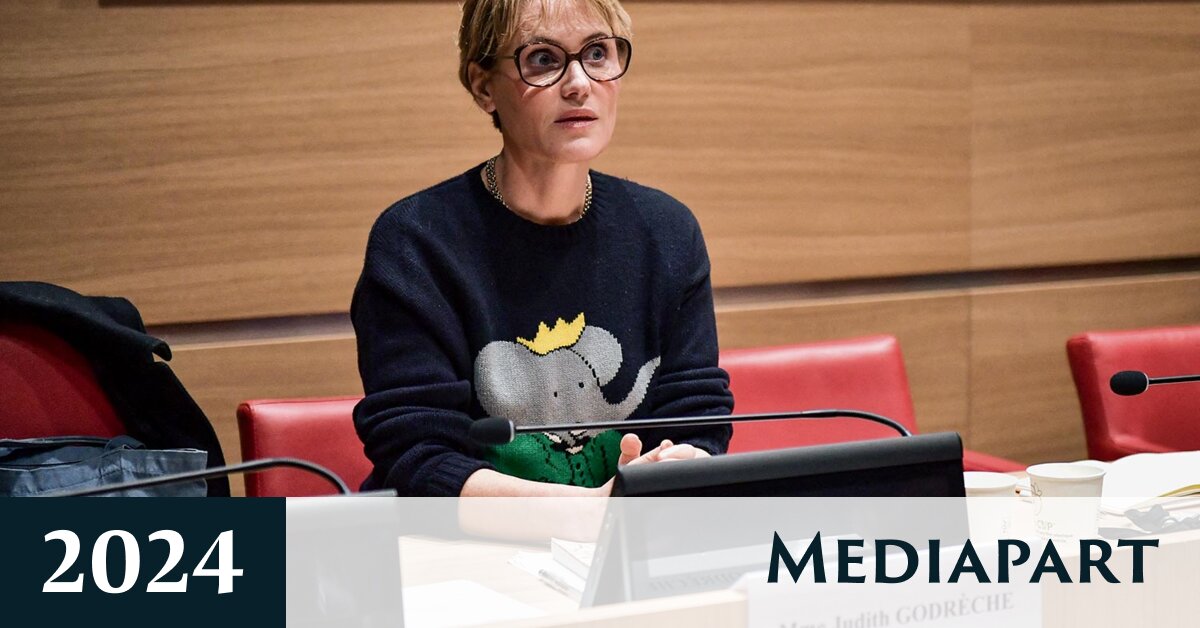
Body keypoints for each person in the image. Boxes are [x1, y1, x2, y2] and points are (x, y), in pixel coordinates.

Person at [351, 0, 733, 497]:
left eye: (597, 53)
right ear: (483, 87)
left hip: (627, 534)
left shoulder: (667, 232)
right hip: (454, 541)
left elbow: (697, 419)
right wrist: (592, 509)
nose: (578, 83)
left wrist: (681, 463)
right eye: (543, 59)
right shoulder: (415, 242)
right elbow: (419, 459)